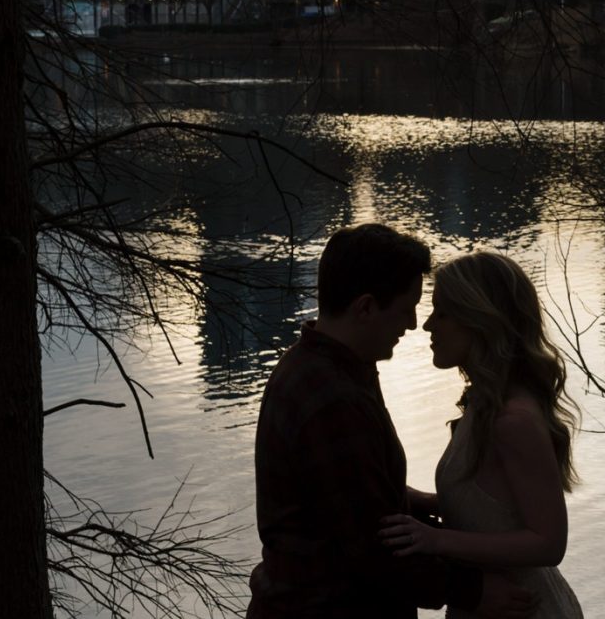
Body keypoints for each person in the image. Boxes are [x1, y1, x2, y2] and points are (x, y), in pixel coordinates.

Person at [248, 224, 535, 619]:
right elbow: (371, 551)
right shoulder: (333, 399)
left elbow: (340, 495)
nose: (415, 324)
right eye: (407, 308)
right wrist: (474, 591)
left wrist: (412, 502)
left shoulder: (322, 367)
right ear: (366, 308)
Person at [378, 251, 583, 619]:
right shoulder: (485, 405)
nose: (427, 325)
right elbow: (499, 510)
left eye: (442, 312)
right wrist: (423, 501)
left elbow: (549, 543)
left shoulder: (513, 419)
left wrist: (436, 539)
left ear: (480, 318)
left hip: (525, 608)